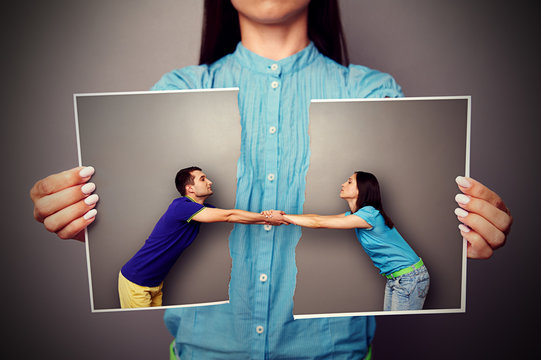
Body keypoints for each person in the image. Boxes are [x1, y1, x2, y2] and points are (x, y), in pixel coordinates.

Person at [29, 1, 513, 358]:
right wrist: (82, 211)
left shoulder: (375, 95)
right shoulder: (177, 92)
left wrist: (464, 230)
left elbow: (411, 226)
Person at [119, 166, 285, 308]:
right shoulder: (181, 206)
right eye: (203, 179)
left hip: (155, 283)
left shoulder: (201, 210)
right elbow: (229, 215)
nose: (210, 182)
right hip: (136, 281)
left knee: (155, 331)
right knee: (144, 333)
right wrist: (267, 218)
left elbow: (234, 217)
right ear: (190, 189)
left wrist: (268, 219)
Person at [278, 171, 429, 311]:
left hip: (410, 278)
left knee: (400, 330)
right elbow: (318, 218)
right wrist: (284, 216)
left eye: (349, 182)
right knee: (394, 328)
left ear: (361, 190)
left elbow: (318, 223)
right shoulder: (358, 215)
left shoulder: (369, 215)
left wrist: (283, 218)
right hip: (396, 278)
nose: (343, 184)